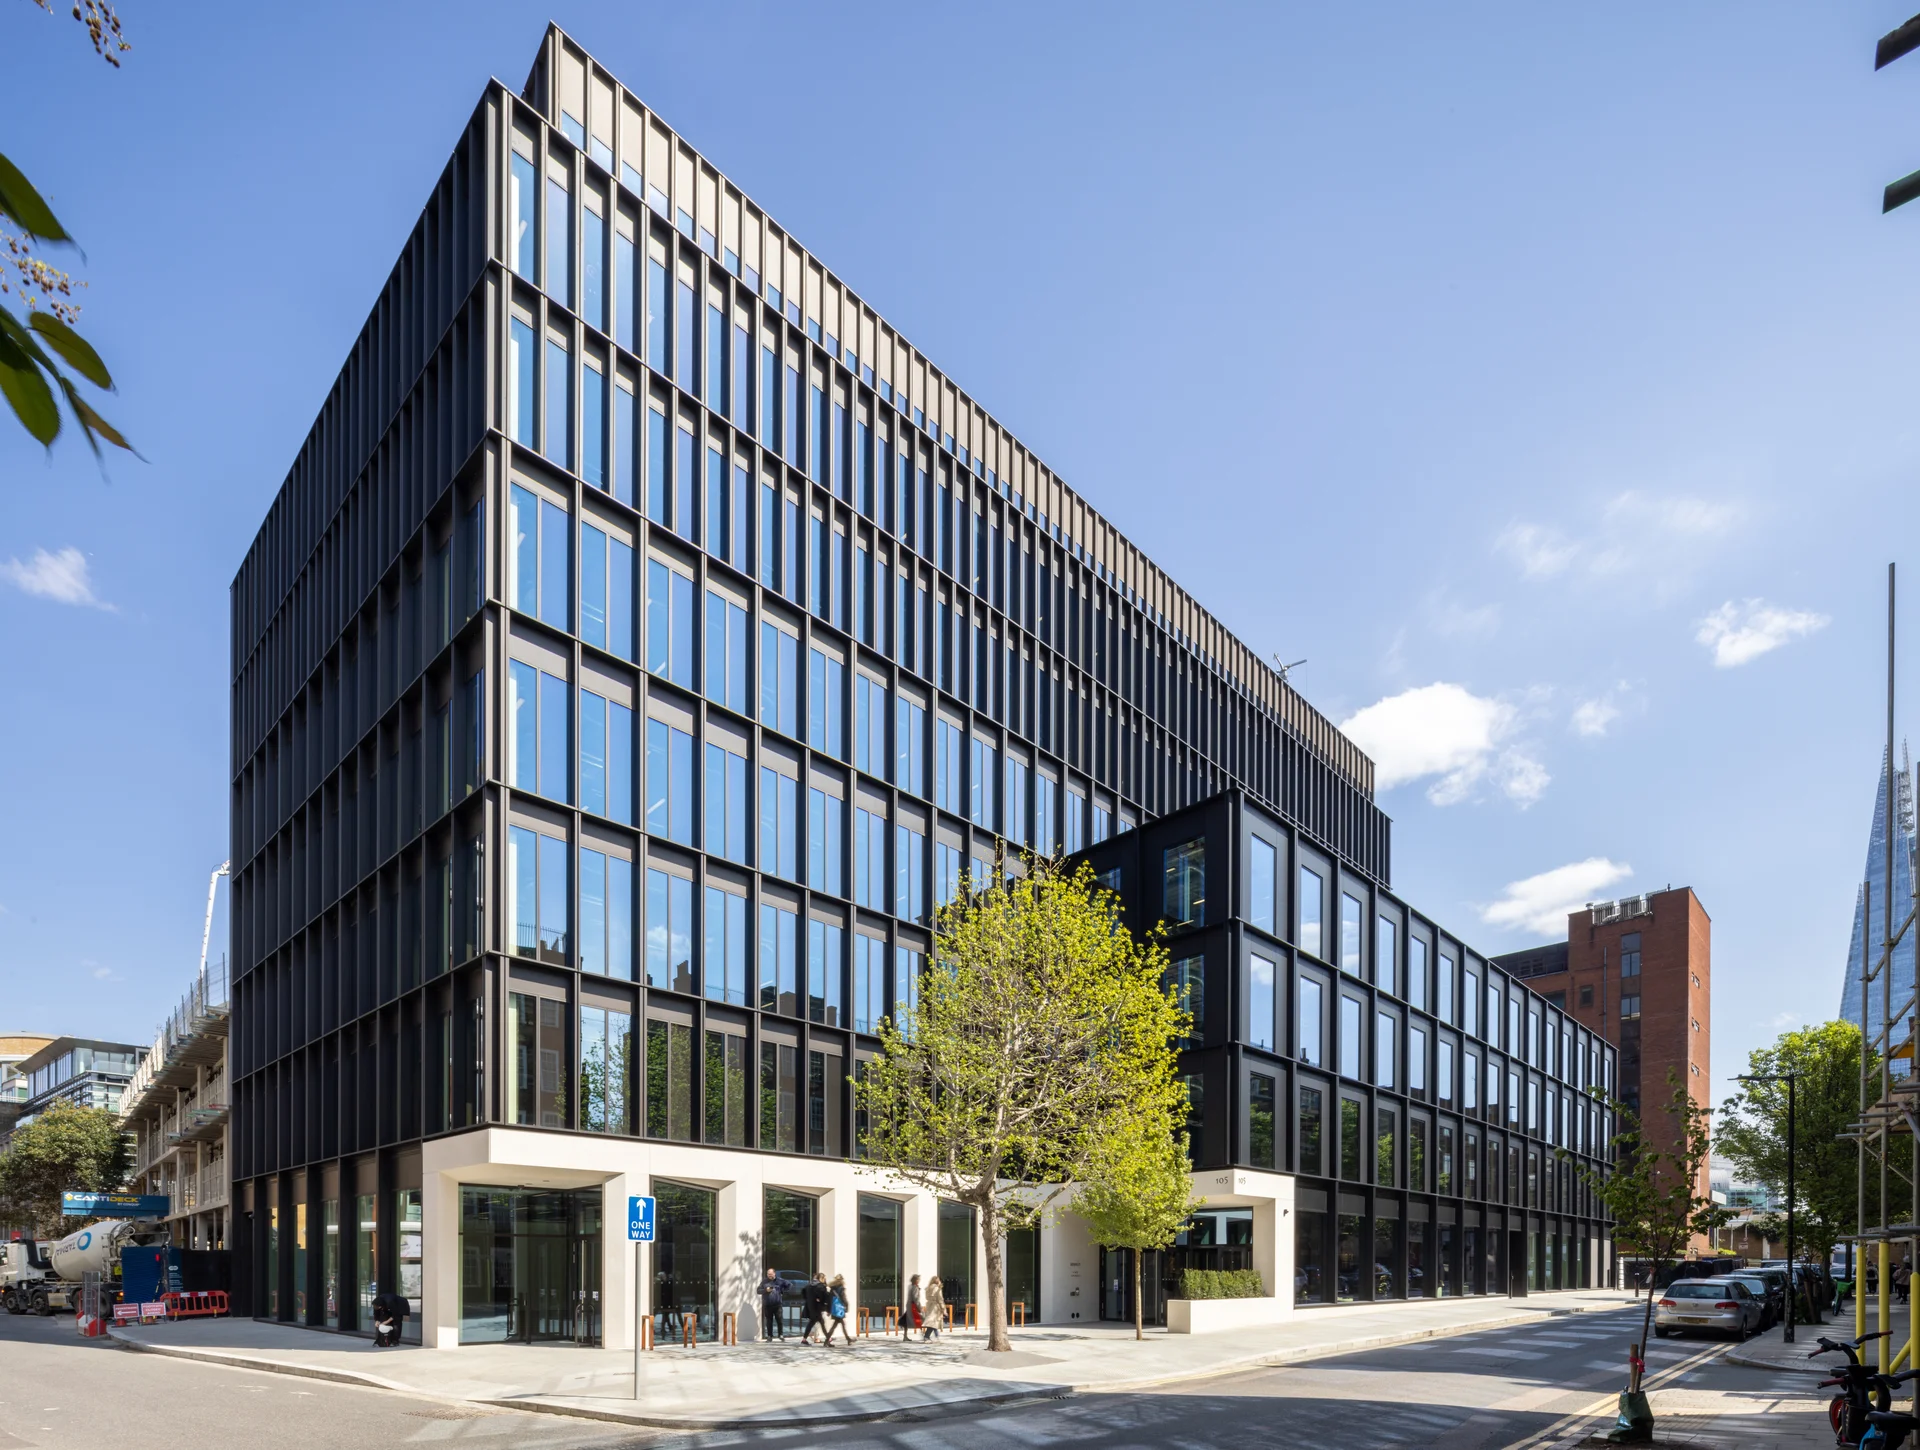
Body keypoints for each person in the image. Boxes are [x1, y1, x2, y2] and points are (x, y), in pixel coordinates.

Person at [800, 1271, 831, 1345]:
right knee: (821, 1323)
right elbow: (825, 1298)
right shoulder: (821, 1286)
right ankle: (828, 1338)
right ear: (822, 1278)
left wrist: (808, 1299)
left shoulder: (809, 1285)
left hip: (811, 1307)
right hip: (818, 1307)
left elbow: (803, 1292)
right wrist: (827, 1307)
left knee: (812, 1323)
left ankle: (804, 1339)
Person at [824, 1274, 852, 1345]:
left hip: (834, 1309)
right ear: (841, 1280)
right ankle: (826, 1341)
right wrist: (847, 1306)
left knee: (839, 1325)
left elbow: (829, 1300)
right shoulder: (841, 1288)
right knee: (837, 1325)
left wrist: (829, 1310)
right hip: (840, 1309)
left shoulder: (832, 1289)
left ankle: (848, 1339)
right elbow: (843, 1298)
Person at [760, 1268, 786, 1342]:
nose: (769, 1275)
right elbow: (758, 1291)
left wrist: (782, 1291)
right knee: (769, 1321)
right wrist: (765, 1290)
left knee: (779, 1320)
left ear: (774, 1273)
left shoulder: (780, 1281)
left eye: (771, 1274)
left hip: (777, 1305)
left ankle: (780, 1335)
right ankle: (769, 1336)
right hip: (768, 1305)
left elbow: (789, 1285)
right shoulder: (764, 1281)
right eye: (768, 1274)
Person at [922, 1275, 945, 1342]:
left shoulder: (928, 1288)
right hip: (935, 1307)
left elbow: (926, 1297)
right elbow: (940, 1299)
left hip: (929, 1306)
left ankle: (935, 1336)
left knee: (932, 1322)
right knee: (933, 1322)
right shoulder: (937, 1289)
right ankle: (927, 1337)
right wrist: (943, 1308)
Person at [901, 1274, 923, 1341]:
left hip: (910, 1305)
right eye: (918, 1279)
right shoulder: (915, 1287)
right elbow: (915, 1298)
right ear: (915, 1280)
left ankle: (905, 1336)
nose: (919, 1280)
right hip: (913, 1306)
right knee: (921, 1319)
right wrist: (919, 1307)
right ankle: (924, 1335)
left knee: (906, 1320)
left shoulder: (910, 1286)